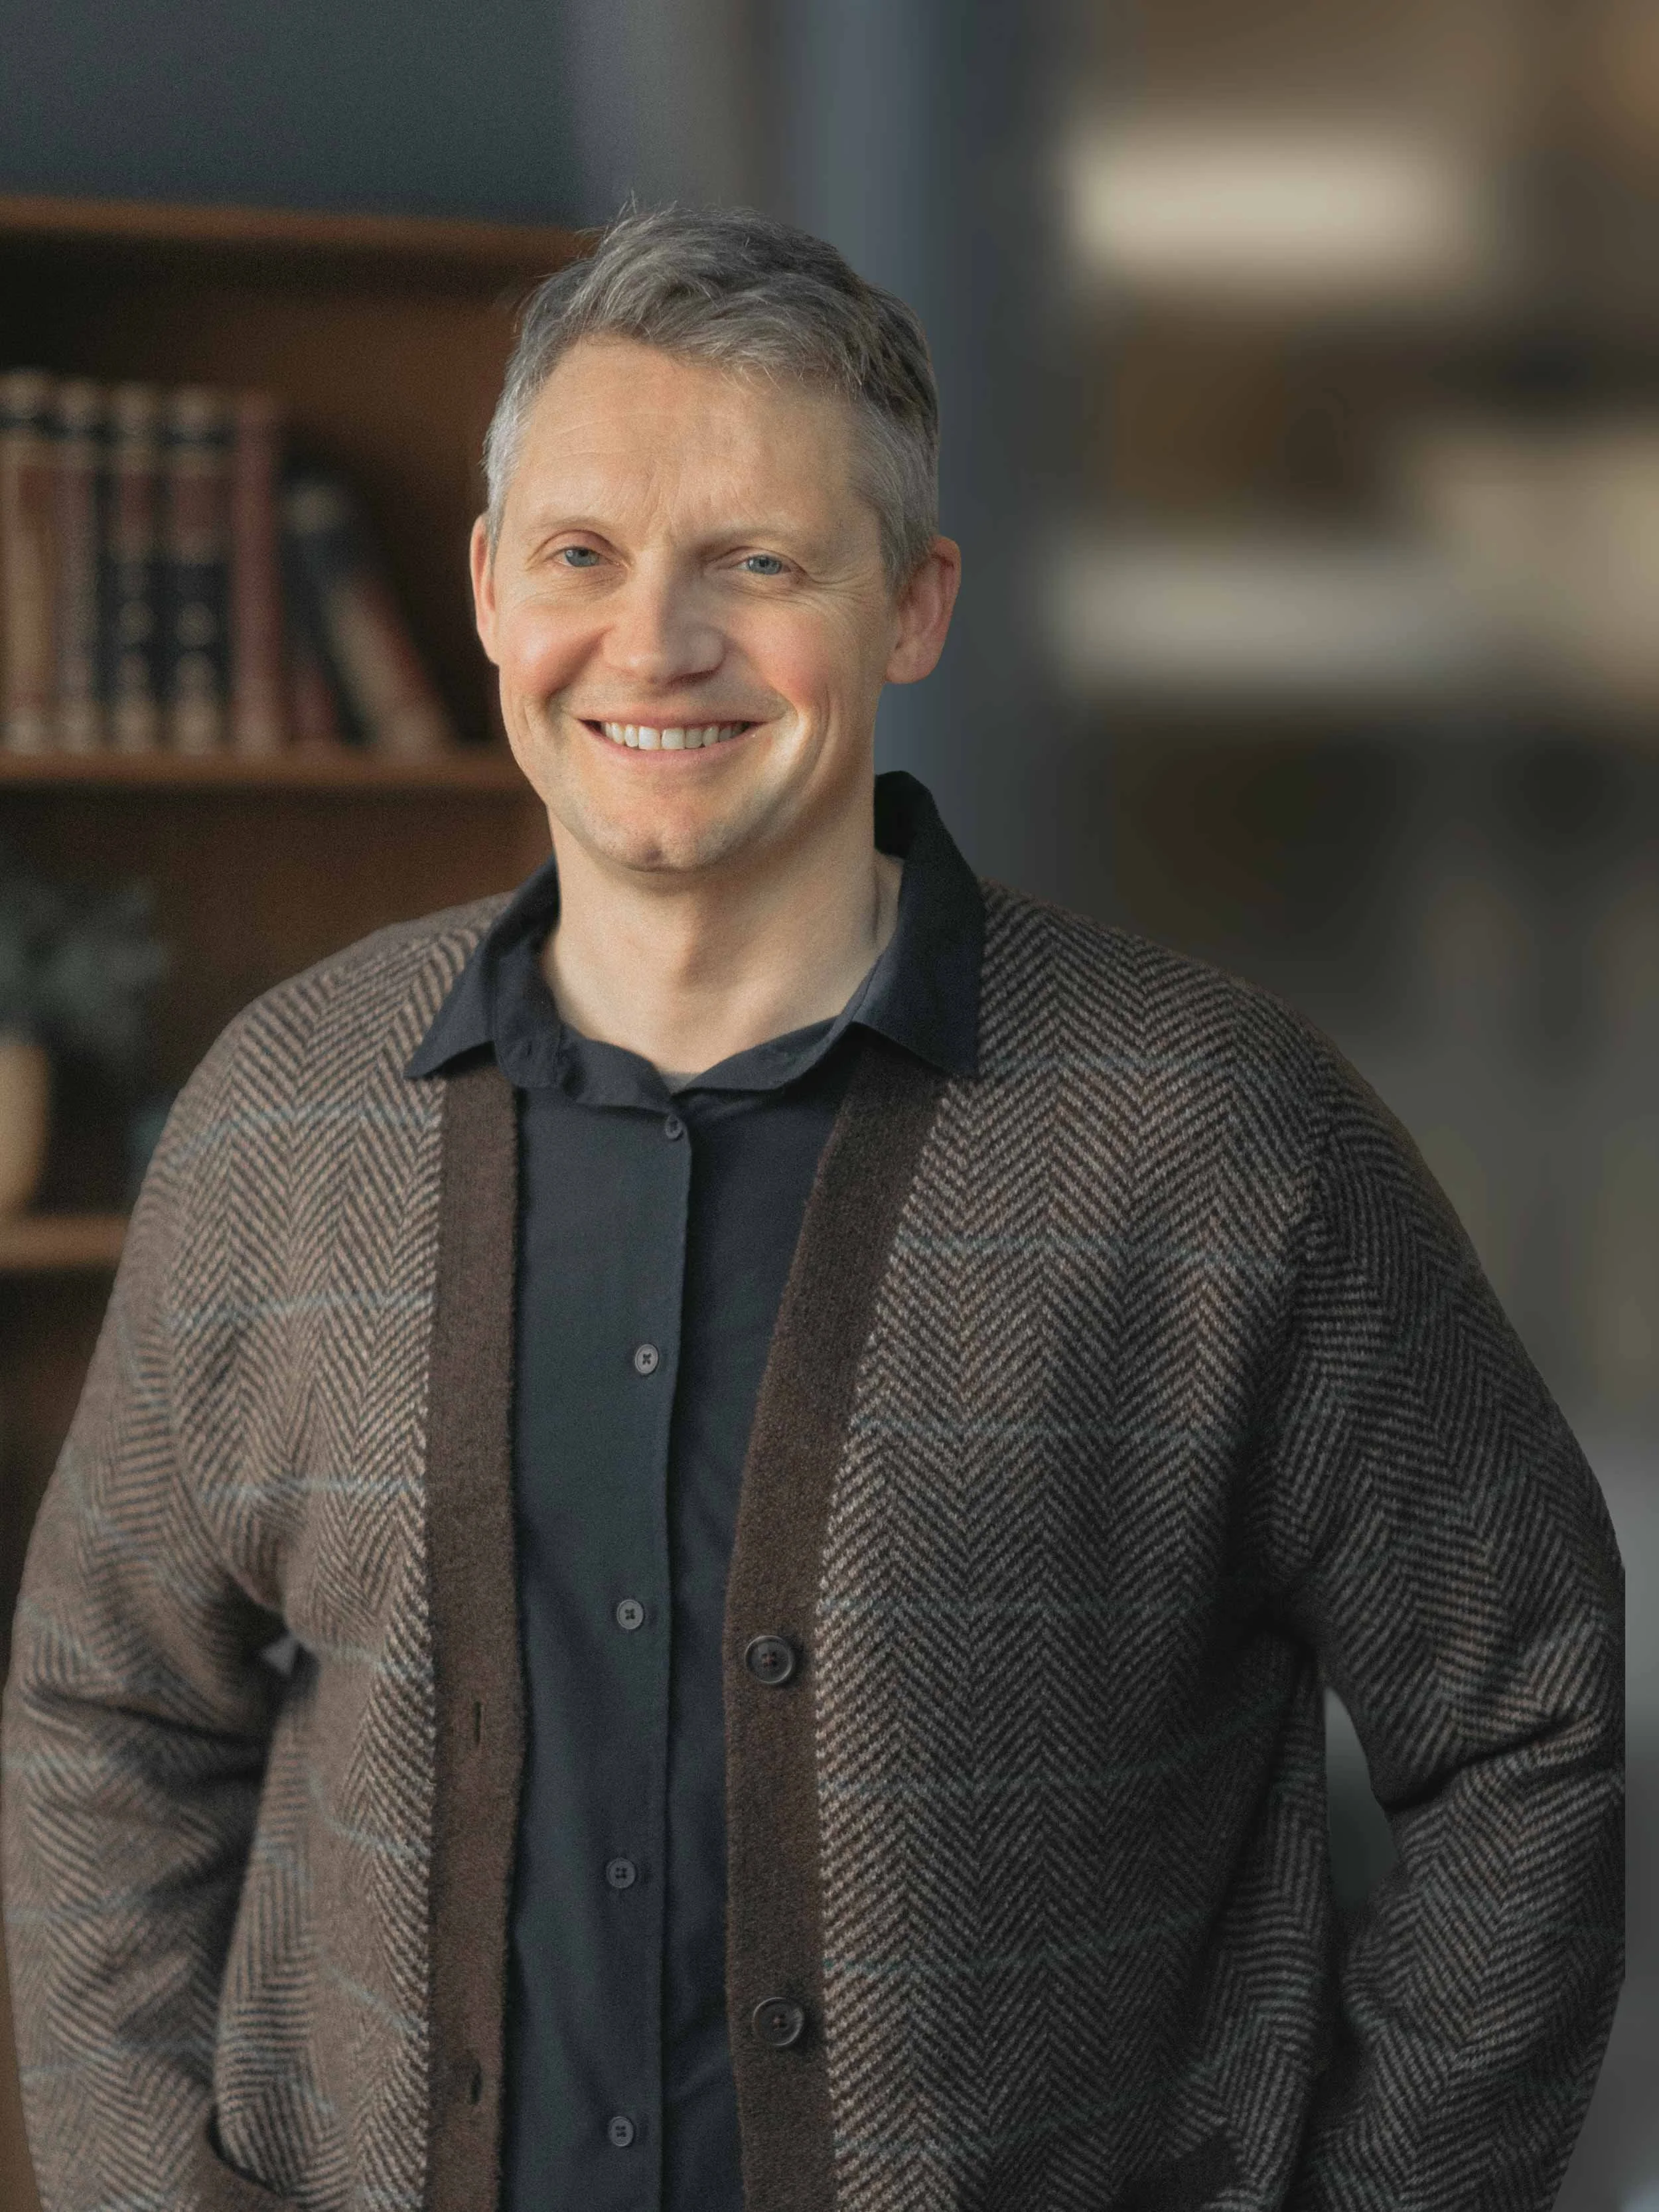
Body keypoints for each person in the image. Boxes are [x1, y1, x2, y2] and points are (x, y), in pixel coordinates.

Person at [3, 208, 1622, 2212]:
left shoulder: (1215, 1137)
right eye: (584, 554)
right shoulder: (279, 1119)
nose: (656, 641)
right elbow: (106, 1706)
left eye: (755, 563)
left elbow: (1521, 1719)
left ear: (910, 604)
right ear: (494, 589)